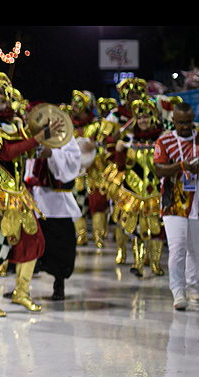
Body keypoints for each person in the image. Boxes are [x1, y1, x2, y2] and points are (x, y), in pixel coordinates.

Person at [0, 72, 62, 317]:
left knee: (33, 242)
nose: (1, 96)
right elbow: (7, 153)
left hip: (18, 195)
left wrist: (40, 149)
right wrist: (37, 140)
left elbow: (24, 152)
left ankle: (21, 293)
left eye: (3, 93)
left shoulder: (17, 122)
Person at [154, 103, 199, 310]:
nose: (185, 126)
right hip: (172, 203)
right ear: (173, 121)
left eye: (188, 122)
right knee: (177, 248)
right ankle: (177, 291)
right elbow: (159, 170)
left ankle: (192, 285)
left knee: (195, 248)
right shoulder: (164, 141)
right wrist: (182, 166)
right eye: (181, 122)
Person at [112, 99, 166, 278]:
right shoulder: (128, 138)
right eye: (140, 117)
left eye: (146, 117)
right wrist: (119, 151)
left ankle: (156, 264)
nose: (142, 120)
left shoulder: (163, 137)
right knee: (136, 229)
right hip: (133, 192)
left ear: (153, 118)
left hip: (157, 192)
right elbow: (121, 167)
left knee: (157, 229)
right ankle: (139, 264)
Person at [27, 135, 82, 300]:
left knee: (61, 245)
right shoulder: (32, 133)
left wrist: (52, 154)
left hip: (58, 202)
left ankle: (59, 285)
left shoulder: (65, 136)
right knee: (30, 245)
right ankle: (21, 287)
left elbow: (74, 161)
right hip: (35, 197)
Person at [106, 78, 149, 265]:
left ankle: (144, 254)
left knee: (146, 213)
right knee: (120, 213)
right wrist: (116, 137)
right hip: (121, 169)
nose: (135, 96)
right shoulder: (115, 115)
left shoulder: (149, 113)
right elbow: (105, 141)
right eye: (131, 93)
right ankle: (121, 249)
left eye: (138, 93)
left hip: (145, 170)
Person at [69, 90, 109, 249]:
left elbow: (108, 144)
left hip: (95, 171)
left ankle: (98, 236)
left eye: (78, 102)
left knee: (98, 203)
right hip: (75, 172)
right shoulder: (68, 124)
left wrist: (96, 145)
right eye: (73, 101)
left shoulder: (98, 124)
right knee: (76, 204)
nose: (74, 105)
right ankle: (81, 235)